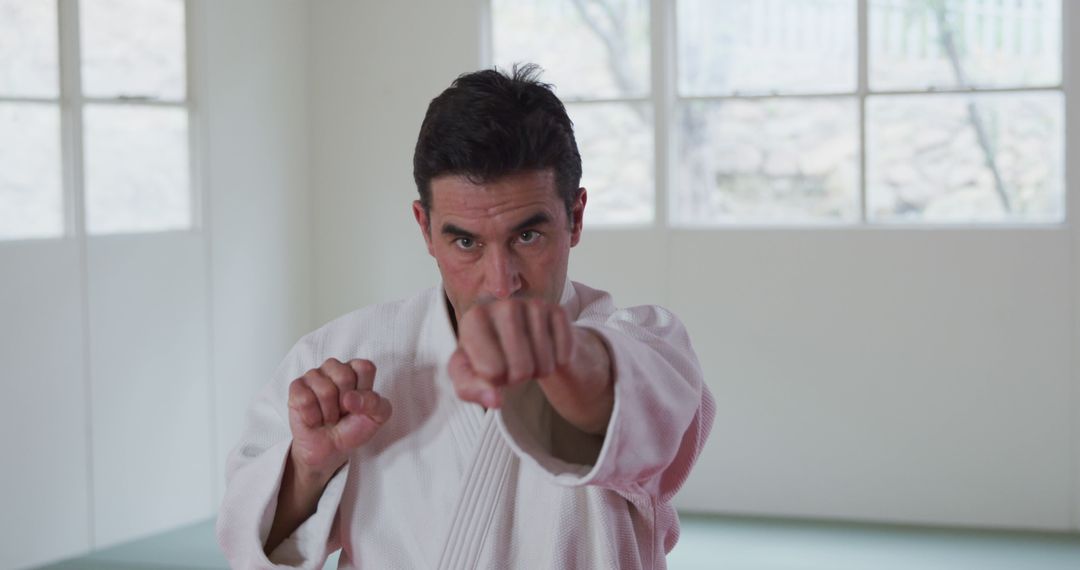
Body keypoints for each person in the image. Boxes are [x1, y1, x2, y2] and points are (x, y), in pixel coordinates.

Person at [216, 64, 715, 569]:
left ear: (576, 217)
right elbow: (246, 541)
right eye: (465, 242)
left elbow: (634, 408)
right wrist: (308, 470)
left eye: (527, 236)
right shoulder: (342, 356)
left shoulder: (646, 347)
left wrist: (560, 355)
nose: (501, 282)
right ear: (425, 228)